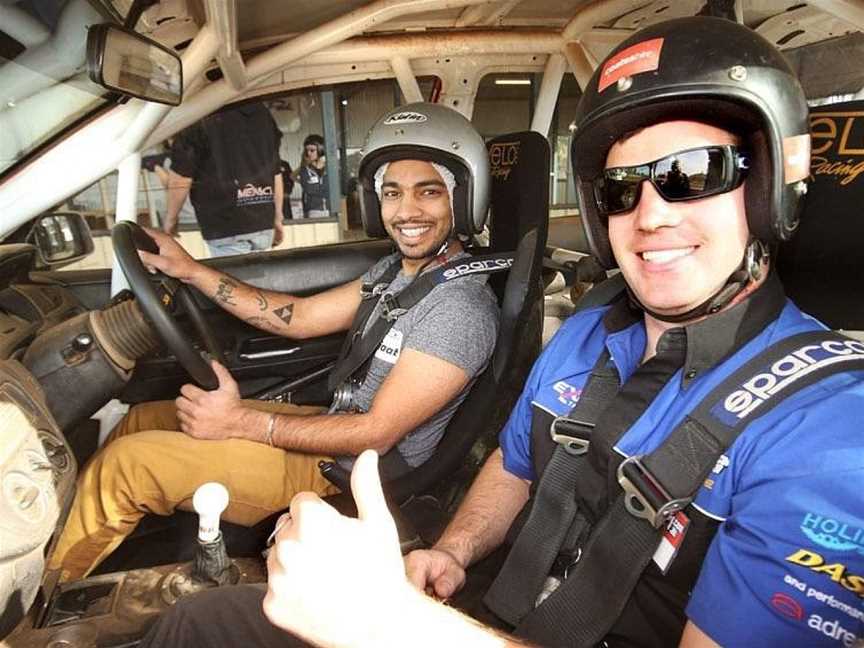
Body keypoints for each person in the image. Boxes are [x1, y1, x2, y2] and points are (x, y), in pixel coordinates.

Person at [141, 17, 864, 648]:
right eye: (621, 189)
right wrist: (453, 550)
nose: (651, 216)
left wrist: (389, 625)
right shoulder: (587, 335)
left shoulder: (828, 439)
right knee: (197, 626)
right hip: (493, 613)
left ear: (769, 186)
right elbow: (516, 466)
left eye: (693, 173)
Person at [49, 103, 500, 582]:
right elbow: (299, 318)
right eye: (392, 193)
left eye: (427, 193)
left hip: (349, 471)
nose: (406, 211)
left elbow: (376, 433)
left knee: (124, 466)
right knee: (142, 417)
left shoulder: (459, 308)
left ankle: (41, 597)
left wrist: (240, 421)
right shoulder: (397, 272)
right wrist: (192, 270)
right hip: (335, 428)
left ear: (462, 197)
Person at [160, 102, 286, 257]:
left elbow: (181, 178)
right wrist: (277, 217)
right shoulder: (261, 112)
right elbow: (275, 171)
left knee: (235, 279)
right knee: (257, 279)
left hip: (227, 223)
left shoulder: (199, 115)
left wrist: (170, 220)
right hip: (263, 221)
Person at [297, 134, 329, 218]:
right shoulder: (305, 170)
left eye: (312, 150)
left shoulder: (330, 169)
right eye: (307, 150)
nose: (309, 153)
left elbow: (333, 189)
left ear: (321, 149)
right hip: (313, 211)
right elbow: (309, 189)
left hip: (330, 209)